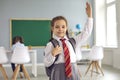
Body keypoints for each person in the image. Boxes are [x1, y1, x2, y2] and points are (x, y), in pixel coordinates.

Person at [44, 2, 93, 80]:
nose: (60, 29)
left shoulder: (72, 41)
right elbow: (46, 63)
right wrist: (52, 54)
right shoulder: (50, 44)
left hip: (73, 71)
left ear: (66, 28)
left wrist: (89, 17)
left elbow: (86, 33)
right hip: (58, 73)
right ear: (52, 28)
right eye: (57, 27)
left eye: (63, 27)